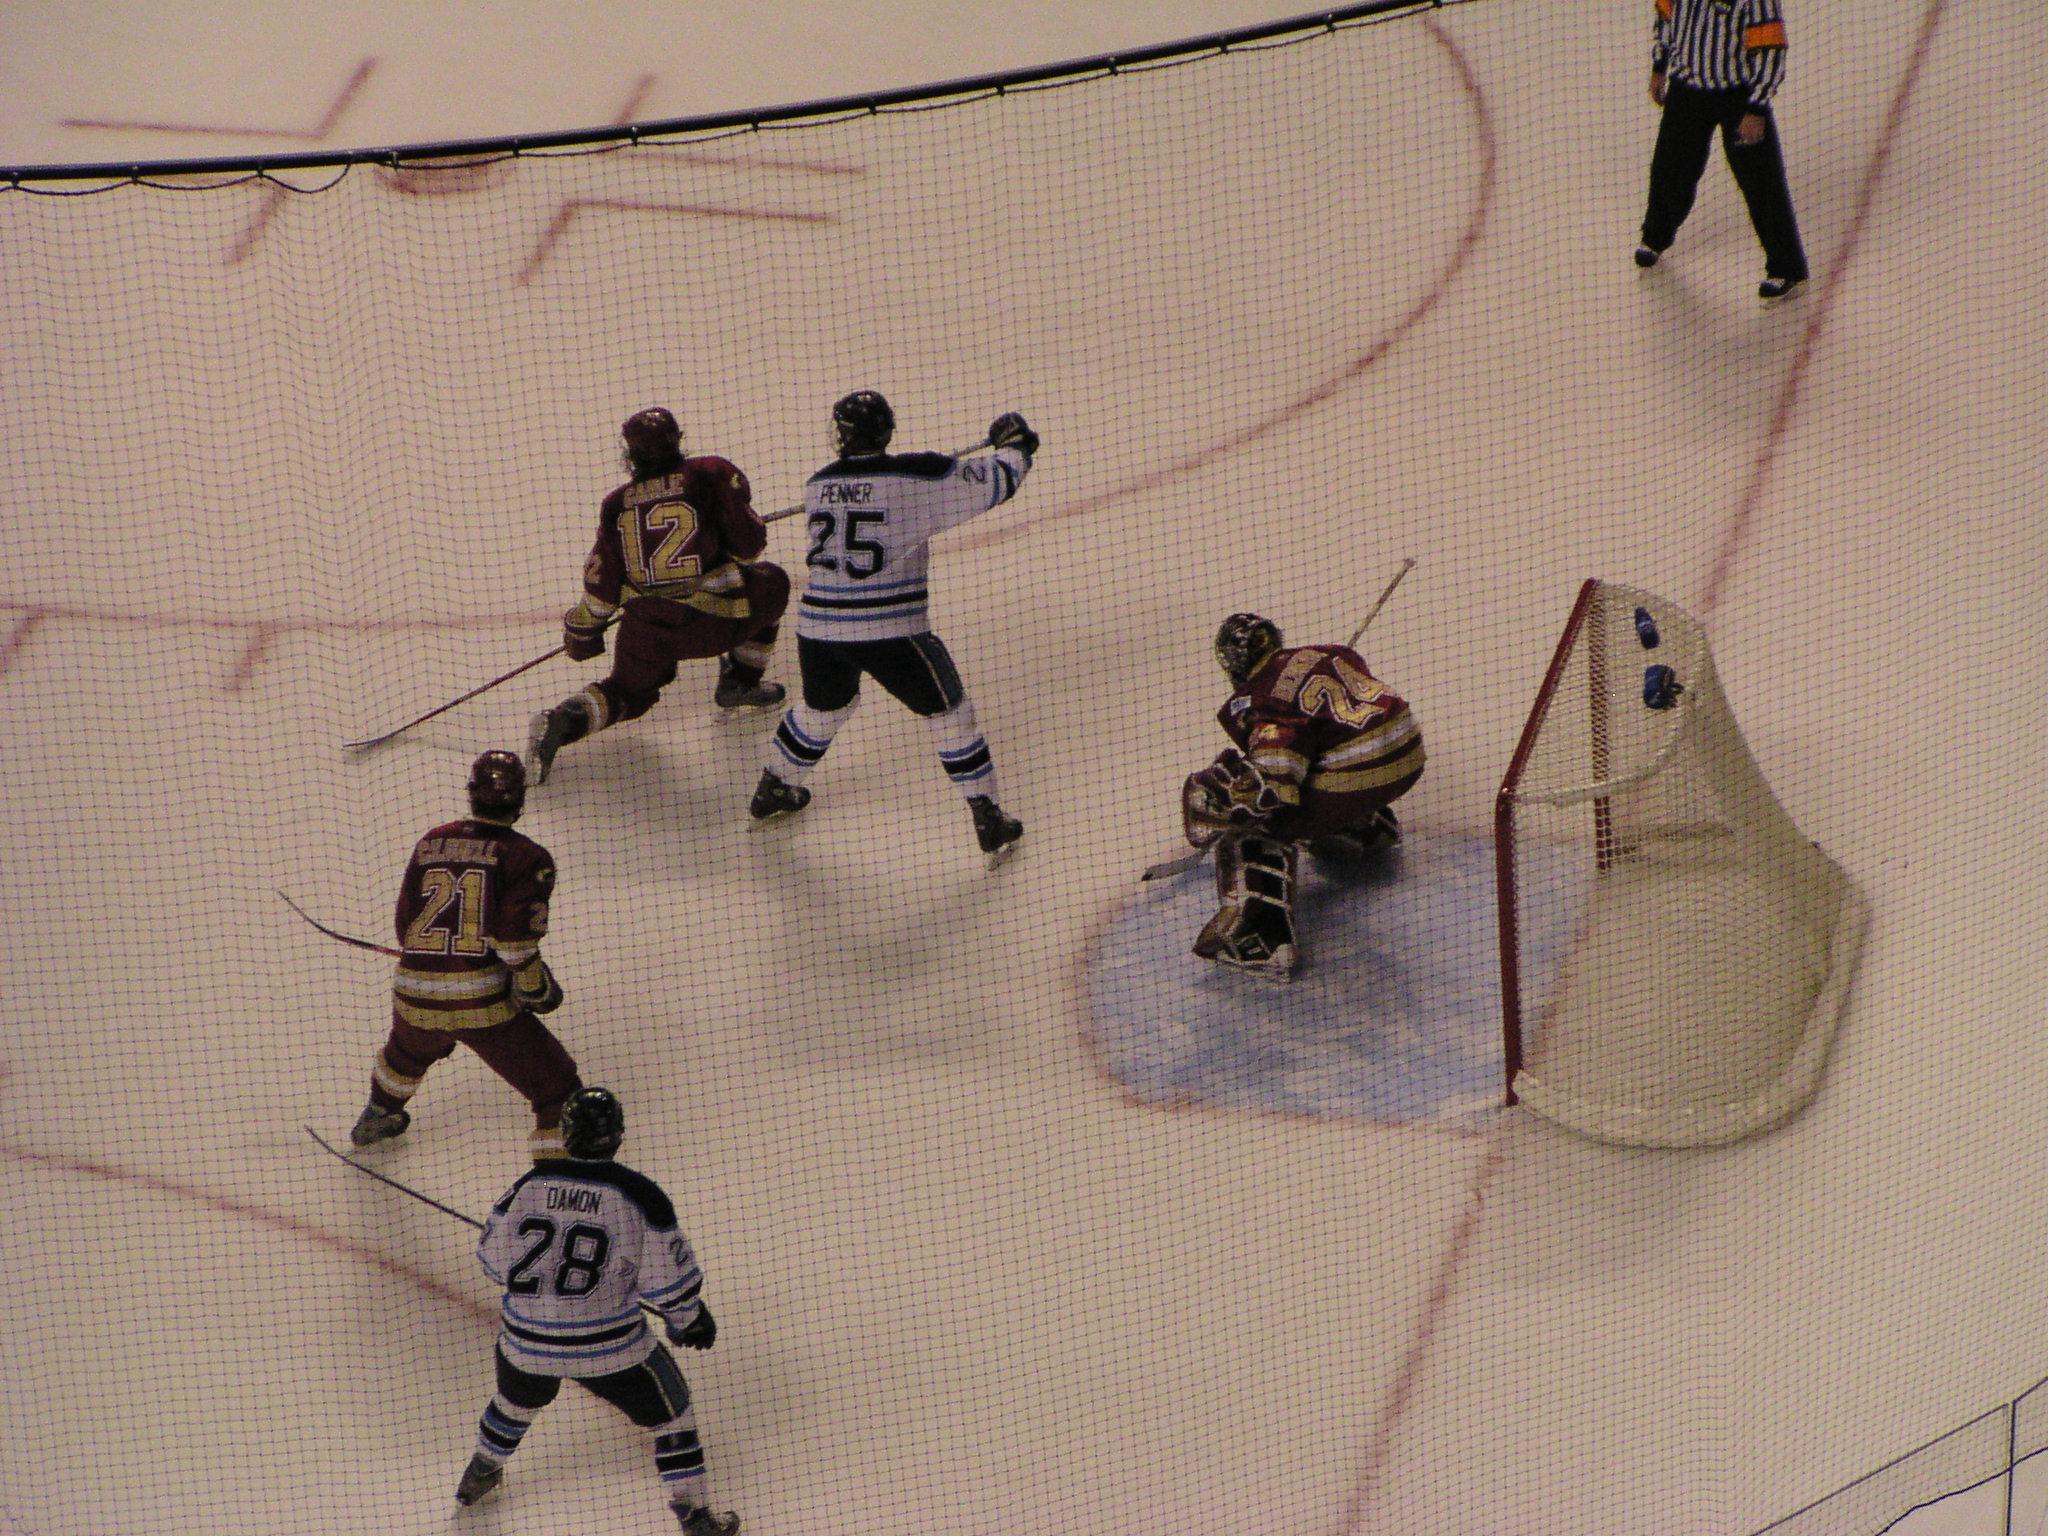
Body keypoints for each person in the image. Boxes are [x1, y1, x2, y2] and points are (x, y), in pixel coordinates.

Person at [748, 391, 1037, 857]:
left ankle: (773, 785)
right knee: (949, 714)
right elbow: (997, 483)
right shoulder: (916, 476)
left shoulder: (816, 484)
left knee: (825, 709)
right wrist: (1015, 445)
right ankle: (988, 814)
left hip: (819, 628)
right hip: (891, 631)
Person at [454, 1088, 740, 1535]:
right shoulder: (639, 1194)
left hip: (525, 1342)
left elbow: (492, 1261)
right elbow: (669, 1280)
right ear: (618, 1137)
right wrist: (688, 1319)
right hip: (613, 1349)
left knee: (513, 1402)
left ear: (566, 1135)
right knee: (673, 1414)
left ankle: (480, 1472)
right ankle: (697, 1516)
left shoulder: (528, 1185)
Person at [526, 407, 789, 785]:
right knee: (773, 583)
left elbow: (601, 592)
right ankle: (741, 681)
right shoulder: (710, 474)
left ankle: (566, 719)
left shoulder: (615, 504)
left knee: (627, 692)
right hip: (717, 621)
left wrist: (581, 634)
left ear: (630, 453)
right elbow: (749, 549)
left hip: (647, 632)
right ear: (677, 439)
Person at [349, 751, 582, 1158]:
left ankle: (379, 1112)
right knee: (558, 1089)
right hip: (480, 1000)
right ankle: (553, 1175)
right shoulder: (529, 857)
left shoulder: (431, 841)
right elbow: (514, 942)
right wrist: (537, 988)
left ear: (471, 794)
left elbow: (406, 927)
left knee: (407, 1054)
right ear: (520, 798)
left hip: (412, 992)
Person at [1181, 614, 1426, 979]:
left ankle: (1261, 941)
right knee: (1326, 758)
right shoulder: (1328, 653)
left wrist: (1228, 801)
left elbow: (1274, 784)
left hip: (1359, 777)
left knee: (1260, 828)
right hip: (1408, 751)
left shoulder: (1260, 701)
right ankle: (1365, 830)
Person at [1634, 0, 1808, 299]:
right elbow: (1665, 17)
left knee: (1761, 182)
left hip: (1738, 98)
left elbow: (1770, 47)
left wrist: (1757, 107)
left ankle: (1786, 268)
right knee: (1670, 168)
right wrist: (1660, 66)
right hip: (1686, 90)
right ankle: (1655, 237)